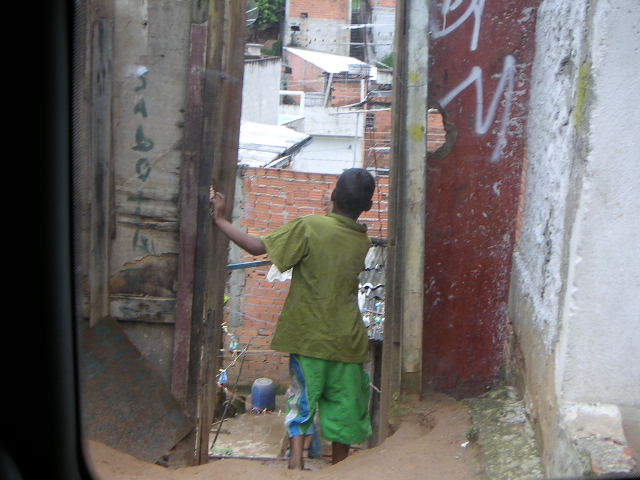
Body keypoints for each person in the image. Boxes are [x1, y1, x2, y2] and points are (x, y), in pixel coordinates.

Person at [210, 168, 376, 470]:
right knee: (343, 412)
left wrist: (220, 218)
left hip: (309, 336)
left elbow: (257, 247)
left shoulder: (311, 226)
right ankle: (339, 469)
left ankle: (296, 465)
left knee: (302, 404)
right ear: (367, 206)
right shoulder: (361, 241)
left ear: (333, 195)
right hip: (348, 342)